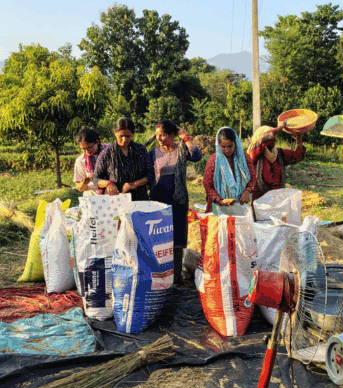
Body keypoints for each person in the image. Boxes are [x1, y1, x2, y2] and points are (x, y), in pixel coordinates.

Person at [148, 120, 202, 284]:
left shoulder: (181, 149)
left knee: (177, 238)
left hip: (177, 198)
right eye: (157, 136)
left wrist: (185, 137)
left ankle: (176, 276)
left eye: (163, 135)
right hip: (158, 198)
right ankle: (160, 272)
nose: (160, 139)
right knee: (159, 236)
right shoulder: (153, 152)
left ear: (171, 134)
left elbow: (197, 156)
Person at [95, 117, 155, 201]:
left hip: (139, 199)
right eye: (121, 136)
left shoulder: (140, 150)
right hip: (115, 201)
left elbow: (150, 174)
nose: (124, 140)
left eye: (128, 136)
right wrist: (108, 184)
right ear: (115, 133)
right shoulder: (106, 153)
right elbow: (96, 178)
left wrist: (134, 184)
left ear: (132, 134)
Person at [247, 120, 306, 200]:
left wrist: (298, 138)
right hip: (260, 197)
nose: (273, 140)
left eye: (273, 138)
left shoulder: (278, 153)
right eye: (270, 138)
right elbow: (263, 141)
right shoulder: (254, 152)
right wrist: (279, 128)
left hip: (277, 196)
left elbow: (297, 156)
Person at [203, 127, 256, 213]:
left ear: (236, 143)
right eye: (223, 147)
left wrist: (248, 191)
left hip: (241, 206)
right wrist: (219, 200)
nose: (227, 150)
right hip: (219, 207)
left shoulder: (244, 158)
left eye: (230, 146)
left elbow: (253, 178)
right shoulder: (213, 161)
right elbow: (208, 185)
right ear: (218, 145)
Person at [73, 127, 109, 196]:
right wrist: (85, 182)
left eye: (89, 147)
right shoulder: (81, 161)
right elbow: (79, 187)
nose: (87, 151)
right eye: (83, 149)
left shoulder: (110, 152)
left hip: (113, 194)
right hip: (93, 197)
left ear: (97, 142)